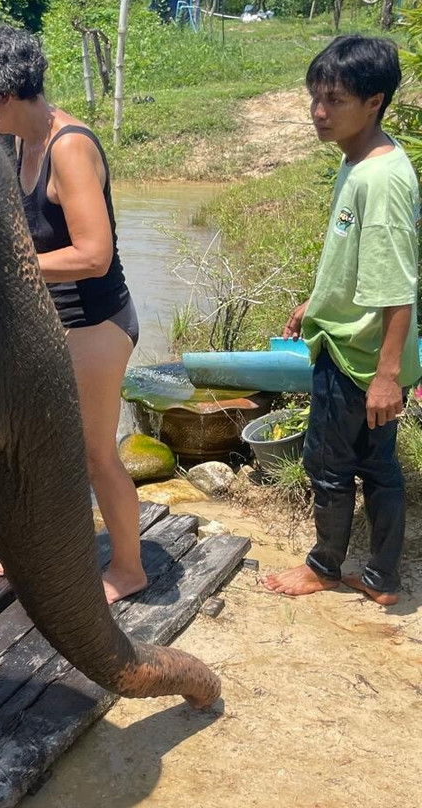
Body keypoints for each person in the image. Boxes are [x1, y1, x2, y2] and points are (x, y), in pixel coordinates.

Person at [0, 26, 145, 604]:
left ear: (6, 95)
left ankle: (131, 569)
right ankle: (33, 553)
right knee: (35, 444)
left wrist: (9, 267)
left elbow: (93, 254)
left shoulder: (69, 146)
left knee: (94, 453)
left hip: (95, 322)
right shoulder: (21, 143)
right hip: (51, 323)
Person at [265, 35, 420, 607]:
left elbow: (398, 287)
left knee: (328, 463)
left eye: (333, 100)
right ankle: (381, 577)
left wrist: (383, 375)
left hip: (359, 357)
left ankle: (324, 566)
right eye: (314, 98)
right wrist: (317, 300)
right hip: (366, 348)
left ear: (374, 101)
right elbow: (359, 262)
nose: (319, 113)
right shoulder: (364, 160)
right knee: (378, 466)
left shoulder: (379, 181)